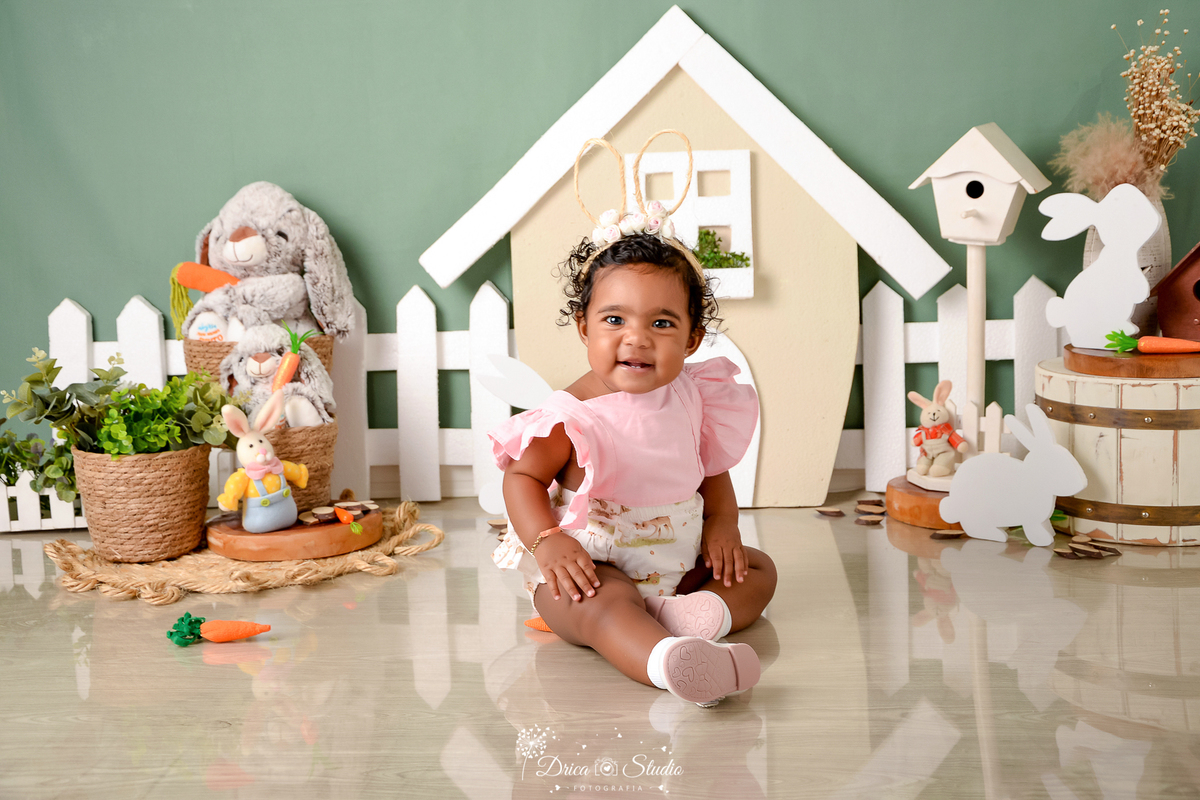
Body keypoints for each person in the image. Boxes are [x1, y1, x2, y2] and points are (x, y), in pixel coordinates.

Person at [490, 132, 777, 707]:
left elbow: (710, 472)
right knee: (600, 604)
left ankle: (685, 616)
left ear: (694, 337)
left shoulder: (692, 397)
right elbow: (522, 479)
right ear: (584, 328)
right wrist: (546, 542)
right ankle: (668, 662)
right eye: (615, 318)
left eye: (663, 323)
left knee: (758, 572)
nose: (636, 339)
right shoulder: (570, 415)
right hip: (591, 568)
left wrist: (723, 529)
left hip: (680, 560)